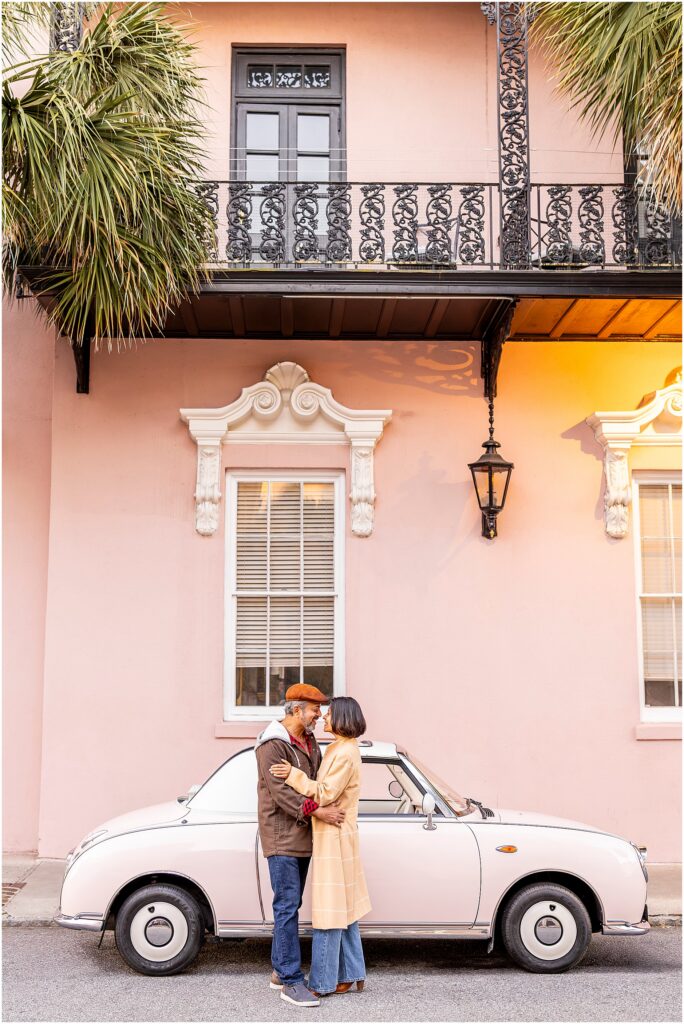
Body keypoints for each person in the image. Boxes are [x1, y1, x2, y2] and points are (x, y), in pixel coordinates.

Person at [270, 696, 371, 998]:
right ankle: (353, 973)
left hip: (335, 836)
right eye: (321, 714)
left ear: (342, 718)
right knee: (345, 910)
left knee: (329, 912)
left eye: (328, 715)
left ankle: (322, 983)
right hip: (335, 834)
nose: (323, 719)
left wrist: (293, 775)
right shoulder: (340, 748)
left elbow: (325, 792)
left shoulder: (344, 752)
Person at [254, 683, 346, 1008]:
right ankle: (291, 982)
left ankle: (279, 971)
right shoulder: (271, 745)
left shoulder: (308, 741)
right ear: (296, 710)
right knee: (286, 906)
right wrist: (319, 810)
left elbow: (315, 783)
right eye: (314, 709)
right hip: (280, 836)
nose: (319, 715)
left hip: (303, 836)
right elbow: (282, 794)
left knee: (289, 905)